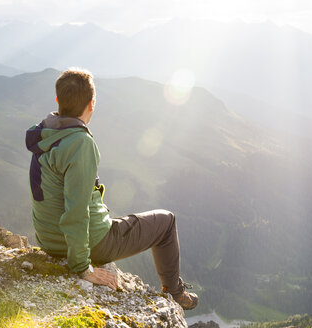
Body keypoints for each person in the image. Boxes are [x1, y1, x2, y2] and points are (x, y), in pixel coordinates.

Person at [25, 68, 198, 310]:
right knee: (166, 222)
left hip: (49, 240)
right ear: (91, 104)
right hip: (90, 243)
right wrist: (83, 267)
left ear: (58, 101)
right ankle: (176, 292)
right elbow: (76, 211)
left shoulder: (45, 134)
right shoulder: (80, 144)